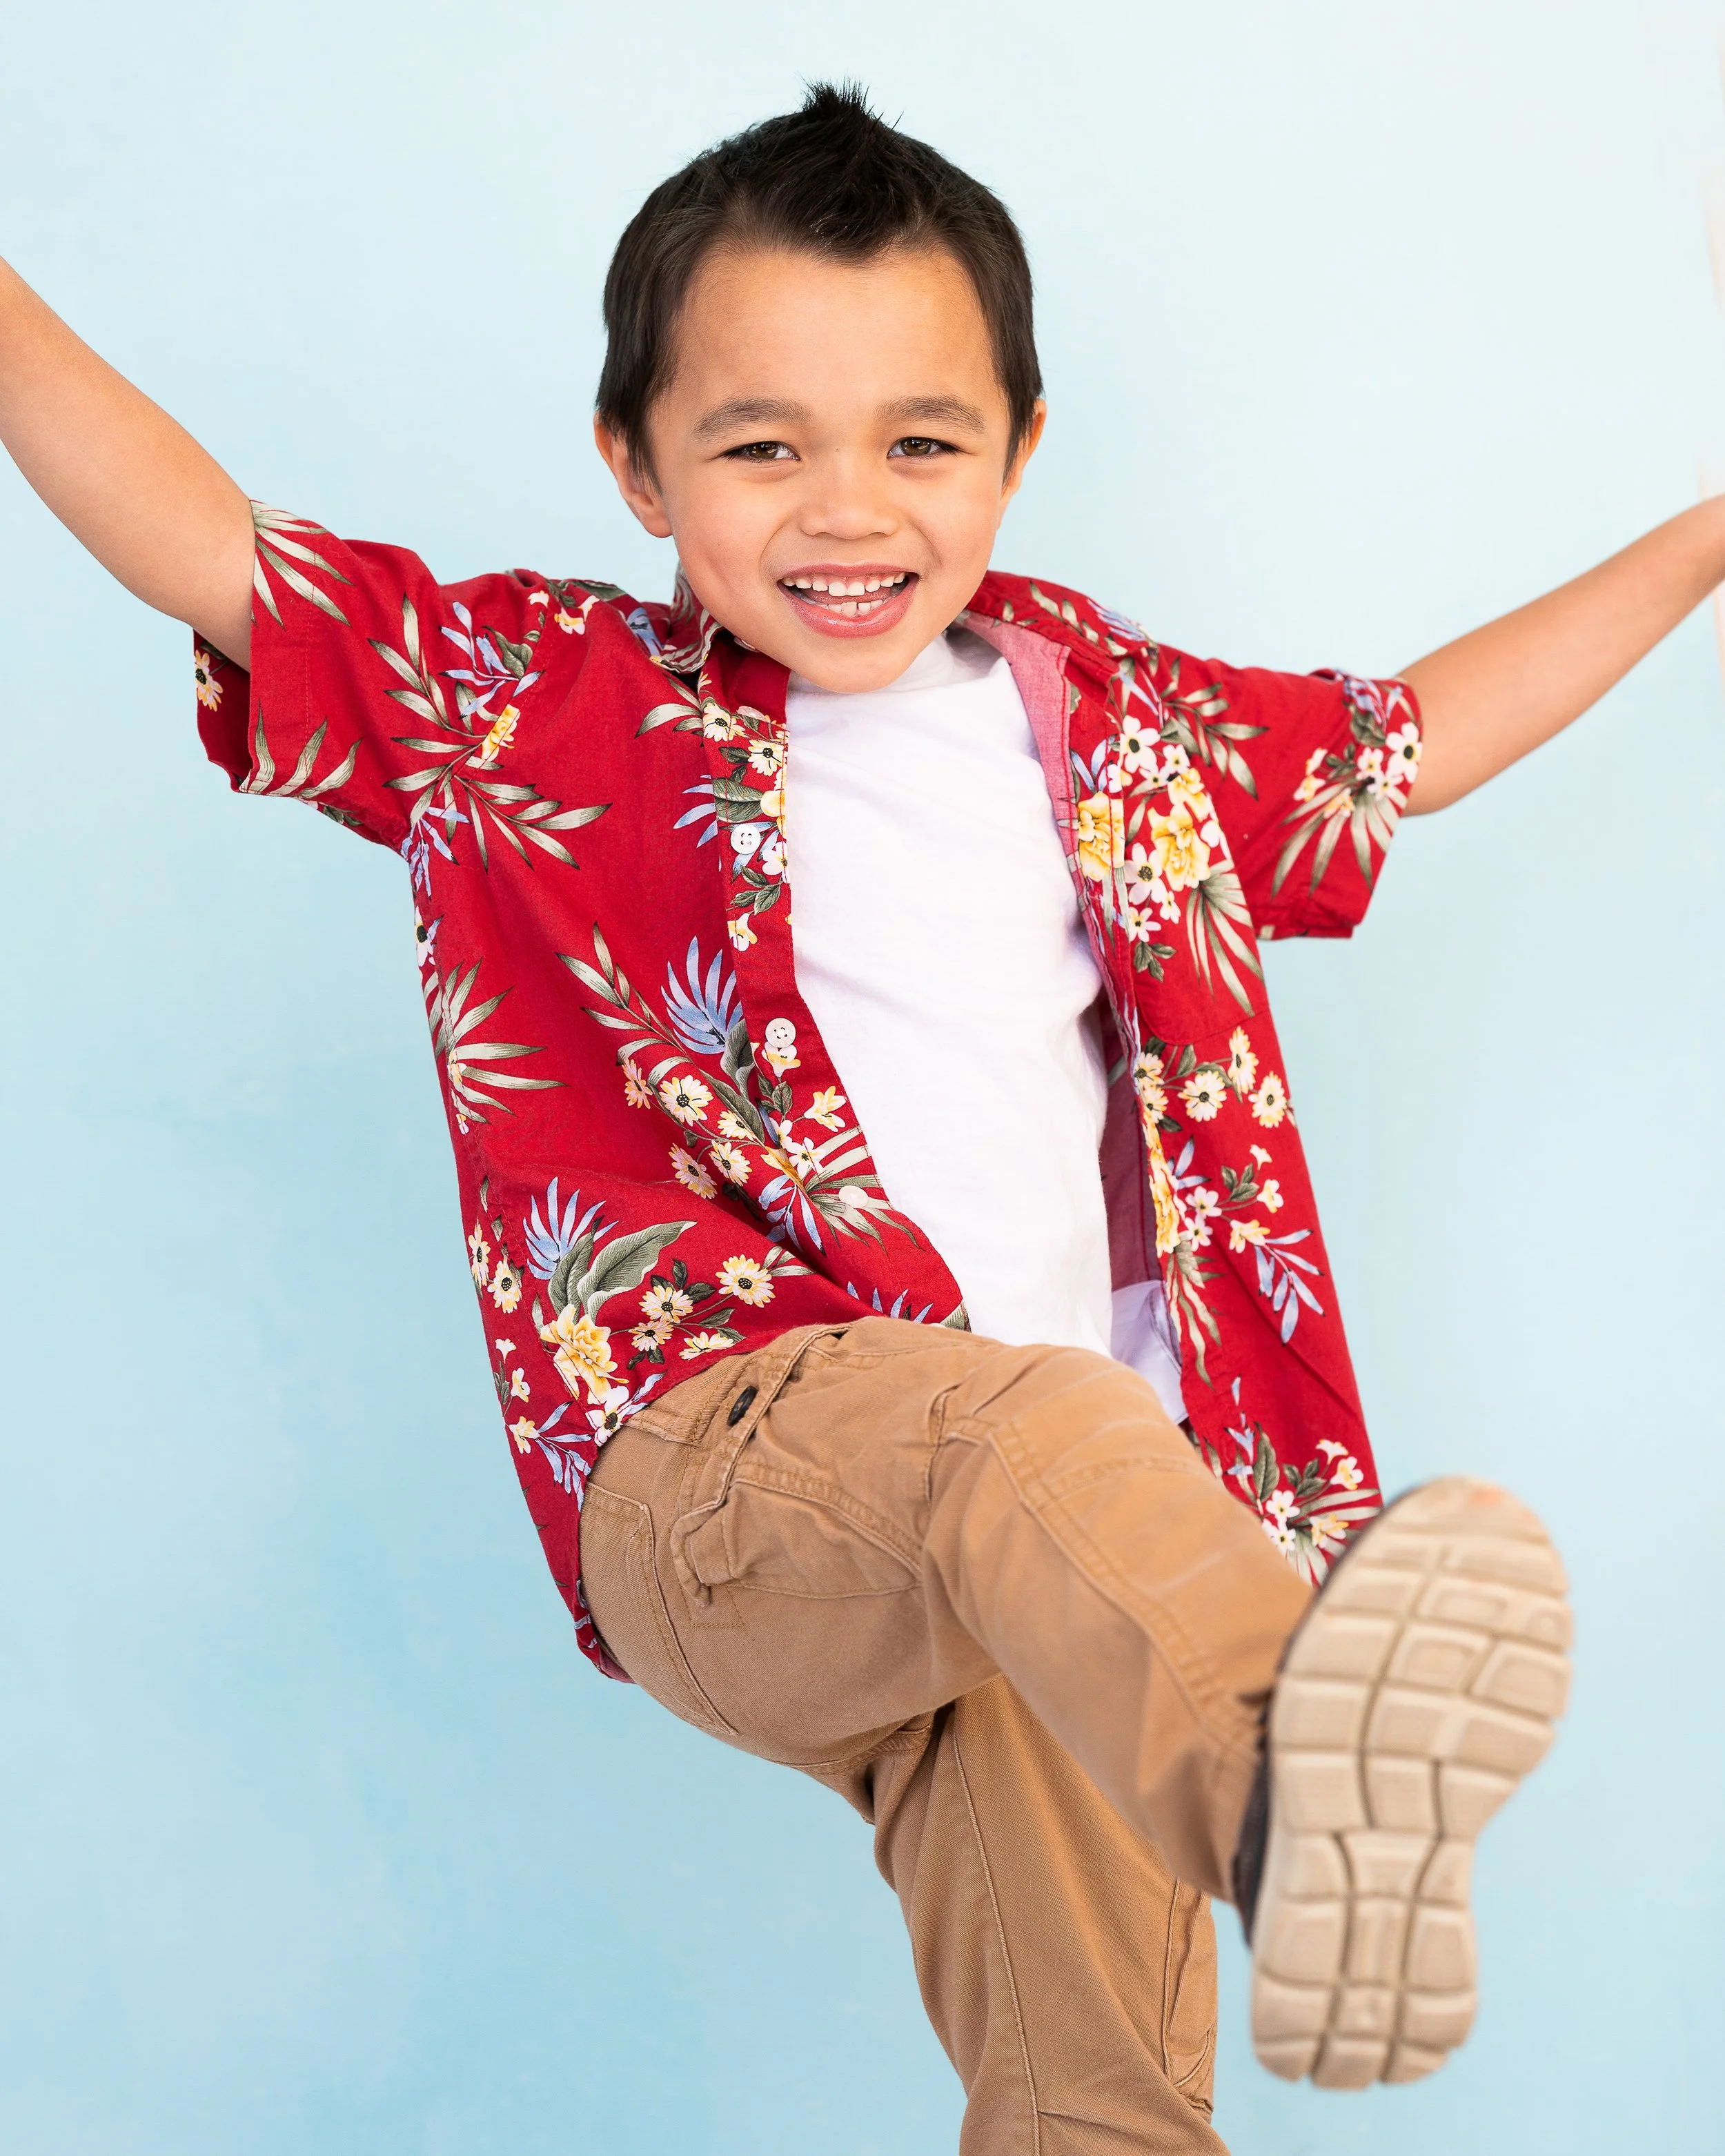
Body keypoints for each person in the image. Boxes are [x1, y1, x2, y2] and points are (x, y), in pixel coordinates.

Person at [2, 77, 1715, 2153]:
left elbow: (1409, 741)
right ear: (633, 461)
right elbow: (203, 543)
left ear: (1019, 448)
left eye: (919, 442)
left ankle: (1270, 1787)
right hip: (728, 1481)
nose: (845, 509)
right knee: (1039, 1423)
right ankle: (1301, 1771)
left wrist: (1707, 537)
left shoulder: (1116, 720)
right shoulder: (530, 698)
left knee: (1100, 2087)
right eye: (757, 445)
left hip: (1077, 1585)